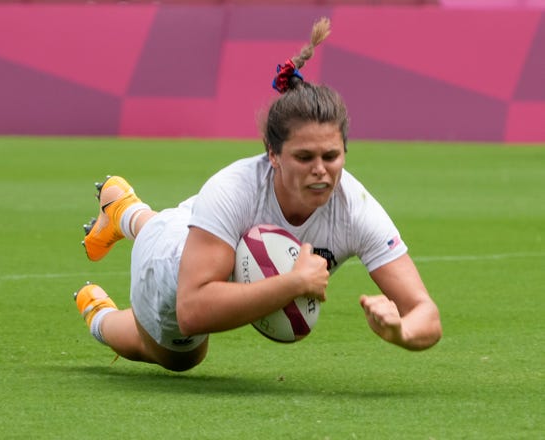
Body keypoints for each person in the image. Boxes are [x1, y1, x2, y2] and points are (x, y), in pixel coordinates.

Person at [74, 17, 441, 372]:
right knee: (181, 358)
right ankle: (99, 315)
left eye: (331, 156)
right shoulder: (234, 187)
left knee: (202, 248)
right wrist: (293, 284)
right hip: (169, 261)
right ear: (272, 154)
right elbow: (191, 309)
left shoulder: (355, 208)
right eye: (303, 157)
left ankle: (124, 209)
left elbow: (425, 312)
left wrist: (401, 331)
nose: (320, 169)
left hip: (202, 234)